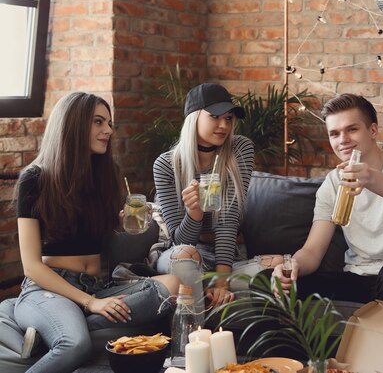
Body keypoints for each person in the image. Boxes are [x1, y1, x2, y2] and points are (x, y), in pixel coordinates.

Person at [14, 92, 179, 373]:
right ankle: (67, 327)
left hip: (98, 284)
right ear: (73, 125)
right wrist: (90, 303)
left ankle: (50, 333)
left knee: (172, 285)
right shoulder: (36, 179)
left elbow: (100, 241)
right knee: (75, 344)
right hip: (50, 288)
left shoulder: (104, 174)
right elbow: (31, 266)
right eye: (99, 122)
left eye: (109, 123)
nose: (109, 131)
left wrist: (120, 225)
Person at [271, 93, 383, 307]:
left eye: (352, 129)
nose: (343, 140)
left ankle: (380, 338)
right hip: (356, 278)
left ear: (373, 130)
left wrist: (369, 177)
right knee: (271, 282)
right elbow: (313, 251)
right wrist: (291, 266)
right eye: (334, 134)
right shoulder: (332, 183)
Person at [153, 83, 254, 308]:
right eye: (215, 116)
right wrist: (195, 214)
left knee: (280, 270)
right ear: (194, 117)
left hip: (226, 254)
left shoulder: (240, 150)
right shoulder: (166, 165)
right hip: (184, 253)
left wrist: (222, 282)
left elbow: (228, 221)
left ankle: (213, 290)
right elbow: (179, 241)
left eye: (229, 118)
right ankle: (190, 335)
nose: (224, 125)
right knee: (185, 260)